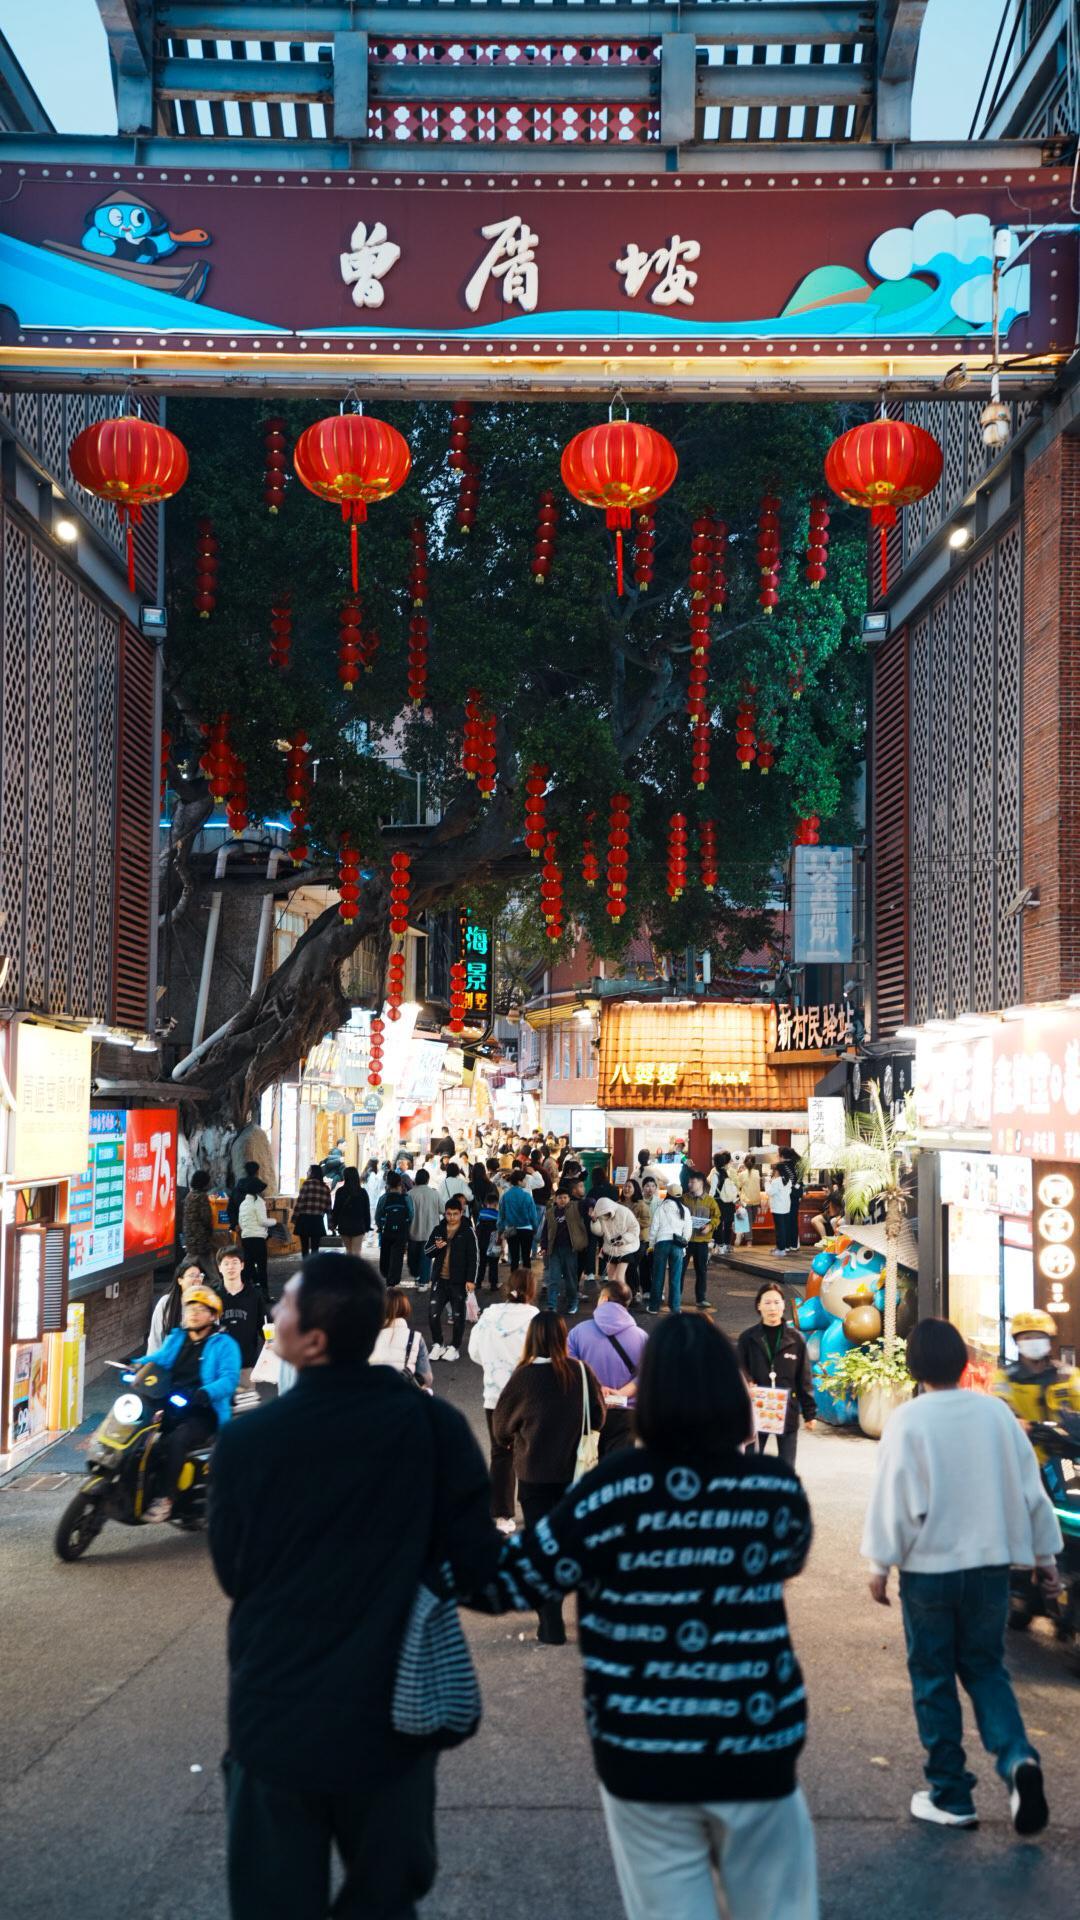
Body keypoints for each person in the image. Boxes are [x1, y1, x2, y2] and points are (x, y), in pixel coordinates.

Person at [209, 1254, 502, 1920]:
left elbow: (234, 1573)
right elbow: (480, 1568)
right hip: (392, 1720)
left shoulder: (249, 1442)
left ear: (311, 1339)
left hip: (275, 1711)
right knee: (386, 1897)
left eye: (284, 1303)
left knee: (274, 1901)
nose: (275, 1312)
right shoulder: (432, 1428)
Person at [495, 1313, 816, 1917]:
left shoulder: (612, 1491)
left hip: (644, 1750)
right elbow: (789, 1555)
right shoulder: (772, 1489)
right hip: (756, 1742)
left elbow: (517, 1575)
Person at [862, 1316, 1060, 1834]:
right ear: (964, 1361)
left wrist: (880, 1563)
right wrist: (1046, 1561)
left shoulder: (910, 1420)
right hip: (991, 1568)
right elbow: (1031, 1491)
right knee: (987, 1670)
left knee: (933, 1677)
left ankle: (951, 1794)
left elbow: (893, 1496)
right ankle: (1018, 1760)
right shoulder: (996, 1414)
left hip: (930, 1570)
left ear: (914, 1365)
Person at [491, 1311, 605, 1645]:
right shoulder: (581, 1372)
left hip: (535, 1476)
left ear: (533, 1338)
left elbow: (500, 1428)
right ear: (562, 1337)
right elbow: (597, 1417)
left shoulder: (524, 1377)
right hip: (576, 1474)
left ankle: (551, 1622)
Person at [136, 1285, 241, 1524]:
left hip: (204, 1412)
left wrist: (206, 1393)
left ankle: (165, 1498)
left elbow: (229, 1378)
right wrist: (134, 1363)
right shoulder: (177, 1338)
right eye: (190, 1308)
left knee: (177, 1440)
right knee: (138, 1434)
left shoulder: (224, 1344)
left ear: (213, 1316)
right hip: (171, 1404)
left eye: (201, 1309)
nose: (193, 1313)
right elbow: (158, 1360)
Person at [468, 1267, 540, 1530]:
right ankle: (533, 1510)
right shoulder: (535, 1317)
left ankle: (502, 1514)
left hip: (495, 1394)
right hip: (530, 1394)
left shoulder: (489, 1315)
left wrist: (493, 1364)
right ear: (532, 1290)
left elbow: (474, 1351)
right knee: (530, 1450)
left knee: (501, 1453)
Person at [737, 1282, 817, 1468]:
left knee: (787, 1466)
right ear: (758, 1306)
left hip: (786, 1411)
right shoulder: (748, 1338)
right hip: (757, 1410)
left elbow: (804, 1378)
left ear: (783, 1305)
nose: (772, 1308)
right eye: (767, 1303)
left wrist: (809, 1413)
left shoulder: (795, 1339)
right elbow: (739, 1369)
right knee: (751, 1465)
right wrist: (748, 1382)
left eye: (776, 1302)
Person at [567, 1275, 647, 1456]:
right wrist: (620, 1393)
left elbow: (569, 1370)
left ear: (603, 1299)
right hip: (626, 1413)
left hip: (588, 1411)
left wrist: (597, 1389)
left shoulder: (578, 1333)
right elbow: (649, 1375)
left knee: (587, 1469)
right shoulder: (641, 1337)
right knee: (616, 1474)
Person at [425, 1194, 479, 1362]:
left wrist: (471, 1280)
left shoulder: (467, 1232)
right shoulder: (438, 1230)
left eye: (455, 1214)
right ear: (445, 1214)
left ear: (461, 1213)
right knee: (433, 1313)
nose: (452, 1217)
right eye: (448, 1214)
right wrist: (436, 1246)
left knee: (457, 1315)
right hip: (440, 1279)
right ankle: (438, 1344)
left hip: (459, 1281)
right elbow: (427, 1252)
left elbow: (473, 1257)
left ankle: (454, 1346)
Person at [217, 1243, 266, 1385]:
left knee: (247, 1406)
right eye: (226, 1263)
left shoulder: (254, 1295)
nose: (230, 1267)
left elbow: (265, 1325)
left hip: (246, 1364)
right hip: (219, 1366)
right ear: (219, 1268)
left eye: (234, 1262)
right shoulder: (213, 1296)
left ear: (242, 1265)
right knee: (220, 1406)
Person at [370, 1286, 433, 1391]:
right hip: (404, 1397)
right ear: (405, 1307)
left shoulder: (369, 1337)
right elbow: (427, 1378)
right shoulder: (415, 1338)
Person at [539, 1182, 589, 1315]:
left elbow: (589, 1201)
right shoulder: (550, 1212)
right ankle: (551, 1305)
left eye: (565, 1197)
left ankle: (573, 1303)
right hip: (554, 1250)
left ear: (569, 1198)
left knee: (570, 1279)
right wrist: (544, 1246)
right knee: (553, 1278)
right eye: (560, 1197)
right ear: (555, 1199)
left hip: (570, 1250)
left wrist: (592, 1206)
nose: (563, 1200)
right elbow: (545, 1230)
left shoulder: (575, 1207)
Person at [648, 1180, 691, 1314]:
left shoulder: (661, 1208)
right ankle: (675, 1308)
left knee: (658, 1276)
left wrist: (651, 1245)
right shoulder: (685, 1210)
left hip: (661, 1243)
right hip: (677, 1245)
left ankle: (654, 1307)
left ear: (668, 1194)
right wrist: (684, 1246)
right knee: (675, 1278)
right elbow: (687, 1231)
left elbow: (654, 1228)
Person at [148, 1256, 210, 1349]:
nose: (197, 1279)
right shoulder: (165, 1303)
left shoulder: (208, 1303)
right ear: (180, 1280)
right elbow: (155, 1340)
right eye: (192, 1275)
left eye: (199, 1275)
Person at [589, 1194, 641, 1287]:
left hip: (626, 1249)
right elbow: (599, 1232)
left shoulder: (624, 1212)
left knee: (619, 1277)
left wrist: (624, 1239)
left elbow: (635, 1228)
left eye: (607, 1213)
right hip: (610, 1249)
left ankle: (622, 1298)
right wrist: (594, 1220)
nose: (606, 1216)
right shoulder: (600, 1215)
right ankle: (615, 1299)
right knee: (611, 1278)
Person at [686, 1174, 721, 1308]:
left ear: (700, 1183)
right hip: (685, 1240)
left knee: (701, 1270)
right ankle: (676, 1297)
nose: (690, 1184)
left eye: (692, 1181)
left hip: (702, 1241)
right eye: (689, 1181)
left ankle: (701, 1298)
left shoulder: (710, 1201)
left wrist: (710, 1226)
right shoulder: (684, 1199)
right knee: (680, 1270)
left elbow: (717, 1217)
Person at [496, 1168, 539, 1272]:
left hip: (511, 1229)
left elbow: (501, 1216)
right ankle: (526, 1283)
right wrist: (535, 1228)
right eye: (524, 1180)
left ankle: (514, 1285)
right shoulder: (527, 1196)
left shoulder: (505, 1196)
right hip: (526, 1229)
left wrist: (500, 1230)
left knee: (514, 1259)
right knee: (526, 1258)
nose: (525, 1182)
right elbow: (533, 1215)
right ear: (519, 1181)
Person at [375, 1171, 413, 1287]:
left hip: (386, 1232)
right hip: (401, 1232)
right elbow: (411, 1214)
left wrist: (381, 1226)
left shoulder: (383, 1198)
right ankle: (393, 1281)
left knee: (386, 1253)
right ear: (399, 1184)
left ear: (388, 1184)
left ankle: (386, 1274)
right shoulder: (406, 1198)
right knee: (397, 1257)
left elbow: (377, 1216)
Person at [405, 1167, 441, 1289]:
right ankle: (424, 1282)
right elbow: (442, 1209)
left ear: (416, 1180)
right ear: (427, 1180)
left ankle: (417, 1276)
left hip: (413, 1231)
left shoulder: (409, 1194)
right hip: (430, 1231)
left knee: (413, 1257)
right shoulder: (434, 1193)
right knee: (426, 1257)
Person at [238, 1178, 271, 1303]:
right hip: (258, 1239)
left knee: (248, 1267)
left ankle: (243, 1293)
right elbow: (263, 1221)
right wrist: (274, 1222)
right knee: (262, 1267)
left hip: (246, 1238)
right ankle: (264, 1295)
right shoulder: (258, 1202)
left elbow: (241, 1223)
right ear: (257, 1191)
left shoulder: (243, 1204)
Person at [470, 1161, 503, 1289]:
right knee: (493, 1261)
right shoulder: (491, 1185)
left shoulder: (470, 1186)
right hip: (493, 1234)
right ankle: (493, 1283)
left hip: (479, 1223)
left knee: (481, 1260)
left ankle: (478, 1282)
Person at [291, 1163, 332, 1260]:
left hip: (304, 1219)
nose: (307, 1172)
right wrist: (331, 1224)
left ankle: (305, 1268)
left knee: (304, 1248)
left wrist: (294, 1218)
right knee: (315, 1248)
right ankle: (314, 1268)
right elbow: (328, 1208)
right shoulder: (325, 1188)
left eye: (309, 1171)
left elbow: (300, 1202)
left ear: (312, 1173)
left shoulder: (306, 1184)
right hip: (317, 1220)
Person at [331, 1164, 372, 1257]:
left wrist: (334, 1223)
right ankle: (354, 1270)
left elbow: (336, 1209)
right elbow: (366, 1210)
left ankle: (348, 1269)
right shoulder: (362, 1192)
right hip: (358, 1226)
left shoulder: (340, 1191)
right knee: (356, 1252)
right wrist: (367, 1226)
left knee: (349, 1251)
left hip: (344, 1226)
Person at [182, 1169, 216, 1265]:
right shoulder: (202, 1197)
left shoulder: (189, 1195)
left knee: (206, 1258)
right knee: (191, 1259)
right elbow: (206, 1217)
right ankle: (178, 1277)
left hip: (189, 1234)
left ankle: (216, 1279)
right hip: (199, 1235)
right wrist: (210, 1230)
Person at [227, 1160, 263, 1234]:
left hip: (240, 1227)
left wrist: (234, 1224)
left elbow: (230, 1208)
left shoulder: (236, 1189)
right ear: (257, 1172)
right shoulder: (258, 1188)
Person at [767, 1162, 795, 1255]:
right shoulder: (788, 1180)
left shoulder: (776, 1181)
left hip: (778, 1208)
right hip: (786, 1207)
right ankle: (782, 1247)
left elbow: (770, 1192)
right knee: (784, 1228)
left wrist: (767, 1183)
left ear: (778, 1171)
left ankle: (781, 1249)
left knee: (779, 1229)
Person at [809, 1177, 844, 1246]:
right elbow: (827, 1203)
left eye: (835, 1184)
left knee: (835, 1221)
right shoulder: (834, 1191)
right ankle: (824, 1240)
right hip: (828, 1214)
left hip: (837, 1214)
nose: (834, 1185)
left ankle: (833, 1242)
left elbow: (838, 1201)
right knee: (814, 1220)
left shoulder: (842, 1192)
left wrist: (830, 1194)